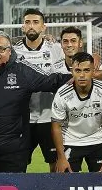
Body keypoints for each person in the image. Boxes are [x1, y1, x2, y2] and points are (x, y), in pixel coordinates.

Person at [0, 30, 70, 172]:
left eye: (1, 49)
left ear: (9, 51)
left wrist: (78, 78)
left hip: (16, 150)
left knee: (15, 186)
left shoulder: (22, 71)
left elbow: (51, 81)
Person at [14, 9, 65, 171]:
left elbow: (63, 77)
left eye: (36, 22)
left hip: (49, 117)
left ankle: (56, 188)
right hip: (22, 119)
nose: (31, 26)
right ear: (23, 27)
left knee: (56, 164)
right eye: (27, 22)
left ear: (43, 27)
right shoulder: (13, 52)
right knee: (18, 163)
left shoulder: (55, 49)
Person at [51, 52, 102, 173]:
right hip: (71, 140)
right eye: (78, 70)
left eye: (86, 70)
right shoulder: (62, 94)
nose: (82, 75)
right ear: (72, 72)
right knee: (66, 181)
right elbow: (56, 126)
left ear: (93, 71)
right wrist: (61, 158)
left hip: (98, 139)